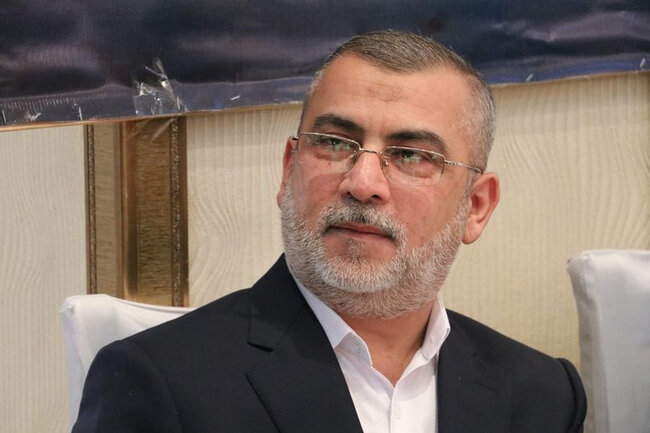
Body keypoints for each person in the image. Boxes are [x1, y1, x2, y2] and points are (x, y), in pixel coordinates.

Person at [73, 30, 586, 433]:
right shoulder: (161, 382)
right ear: (288, 171)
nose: (363, 184)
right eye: (335, 143)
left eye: (411, 155)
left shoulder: (542, 394)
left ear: (476, 207)